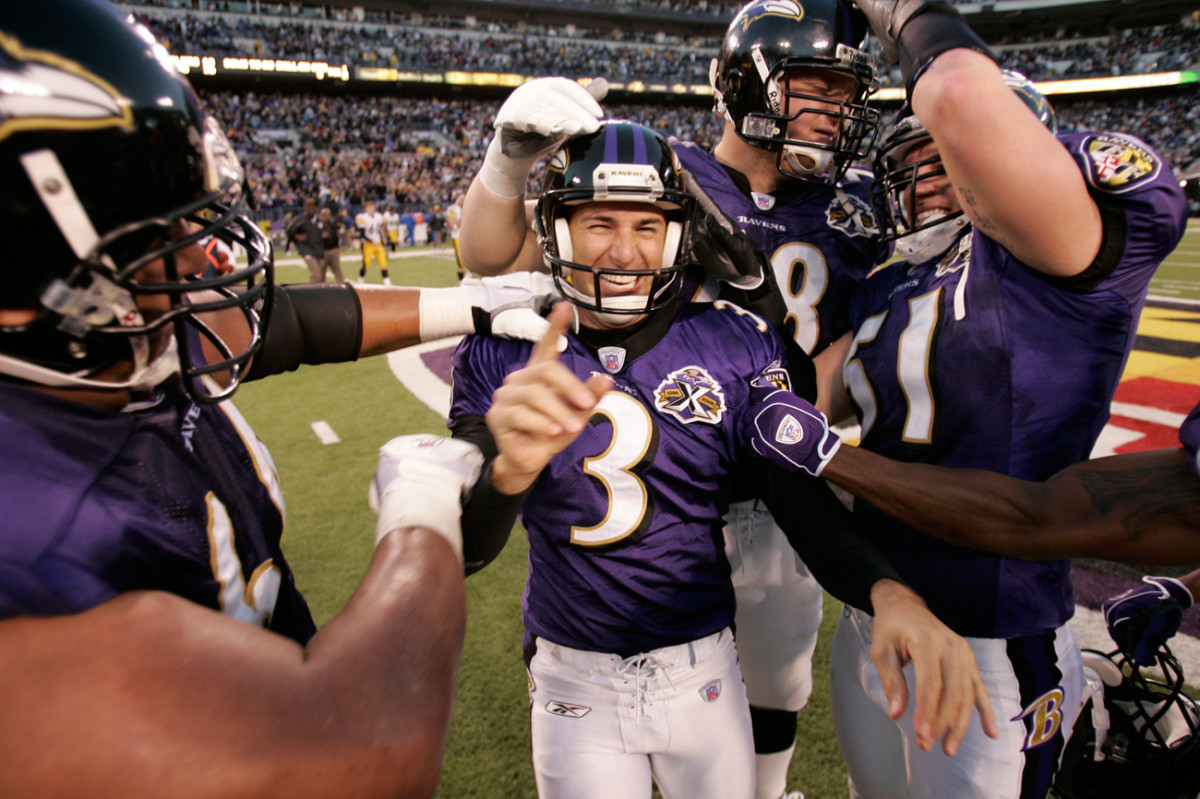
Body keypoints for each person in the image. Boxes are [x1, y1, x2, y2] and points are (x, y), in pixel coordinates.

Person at [0, 3, 570, 792]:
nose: (206, 253)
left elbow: (287, 324)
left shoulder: (100, 345)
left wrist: (471, 303)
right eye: (158, 238)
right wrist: (424, 514)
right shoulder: (28, 534)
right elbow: (362, 746)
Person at [448, 120, 995, 799]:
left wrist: (888, 591)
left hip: (700, 673)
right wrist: (508, 475)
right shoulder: (504, 346)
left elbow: (798, 501)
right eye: (599, 223)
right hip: (573, 681)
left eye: (648, 227)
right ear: (556, 228)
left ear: (681, 237)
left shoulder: (732, 342)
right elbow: (467, 548)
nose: (624, 249)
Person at [457, 4, 887, 793]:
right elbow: (490, 253)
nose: (834, 113)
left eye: (843, 94)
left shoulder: (851, 209)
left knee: (780, 675)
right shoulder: (665, 168)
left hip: (766, 473)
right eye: (815, 89)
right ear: (749, 83)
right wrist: (503, 166)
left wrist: (781, 422)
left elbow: (844, 351)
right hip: (664, 472)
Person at [801, 2, 1190, 796]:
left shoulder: (1052, 260)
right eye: (917, 162)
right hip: (878, 608)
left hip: (990, 627)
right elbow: (807, 401)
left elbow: (958, 104)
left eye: (950, 158)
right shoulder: (887, 277)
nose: (933, 173)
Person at [288, 198, 328, 283]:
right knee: (316, 275)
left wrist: (326, 235)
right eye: (308, 207)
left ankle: (316, 293)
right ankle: (312, 294)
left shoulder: (320, 220)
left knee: (320, 278)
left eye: (312, 207)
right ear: (305, 208)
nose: (311, 209)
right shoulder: (300, 220)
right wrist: (296, 236)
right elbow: (289, 231)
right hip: (307, 250)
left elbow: (329, 231)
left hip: (319, 250)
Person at [356, 199, 390, 284]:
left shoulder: (378, 216)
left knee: (383, 262)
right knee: (366, 264)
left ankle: (387, 281)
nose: (372, 209)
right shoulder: (362, 217)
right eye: (370, 208)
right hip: (367, 243)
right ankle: (360, 279)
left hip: (378, 243)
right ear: (366, 209)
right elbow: (362, 234)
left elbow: (383, 224)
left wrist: (384, 223)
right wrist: (371, 241)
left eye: (373, 207)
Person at [315, 205, 346, 282]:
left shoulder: (332, 225)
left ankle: (342, 288)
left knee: (338, 272)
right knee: (321, 274)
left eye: (328, 214)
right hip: (323, 252)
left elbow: (335, 236)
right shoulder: (318, 226)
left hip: (334, 251)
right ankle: (320, 289)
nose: (327, 216)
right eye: (325, 215)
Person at [447, 193, 467, 280]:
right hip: (458, 236)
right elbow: (453, 227)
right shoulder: (453, 209)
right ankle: (462, 282)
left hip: (467, 236)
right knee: (461, 263)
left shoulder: (468, 207)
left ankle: (466, 279)